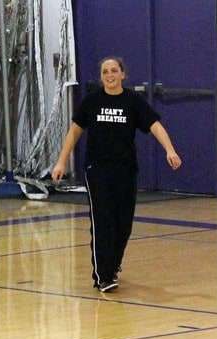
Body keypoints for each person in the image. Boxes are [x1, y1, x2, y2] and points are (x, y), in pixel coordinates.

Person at [51, 56, 182, 292]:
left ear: (123, 74)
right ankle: (103, 275)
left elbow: (155, 125)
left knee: (123, 224)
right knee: (103, 222)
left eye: (113, 71)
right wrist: (61, 162)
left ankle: (113, 265)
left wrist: (170, 150)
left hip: (125, 170)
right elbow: (74, 132)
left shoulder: (133, 101)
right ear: (101, 77)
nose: (109, 75)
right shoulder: (92, 101)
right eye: (105, 72)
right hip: (97, 170)